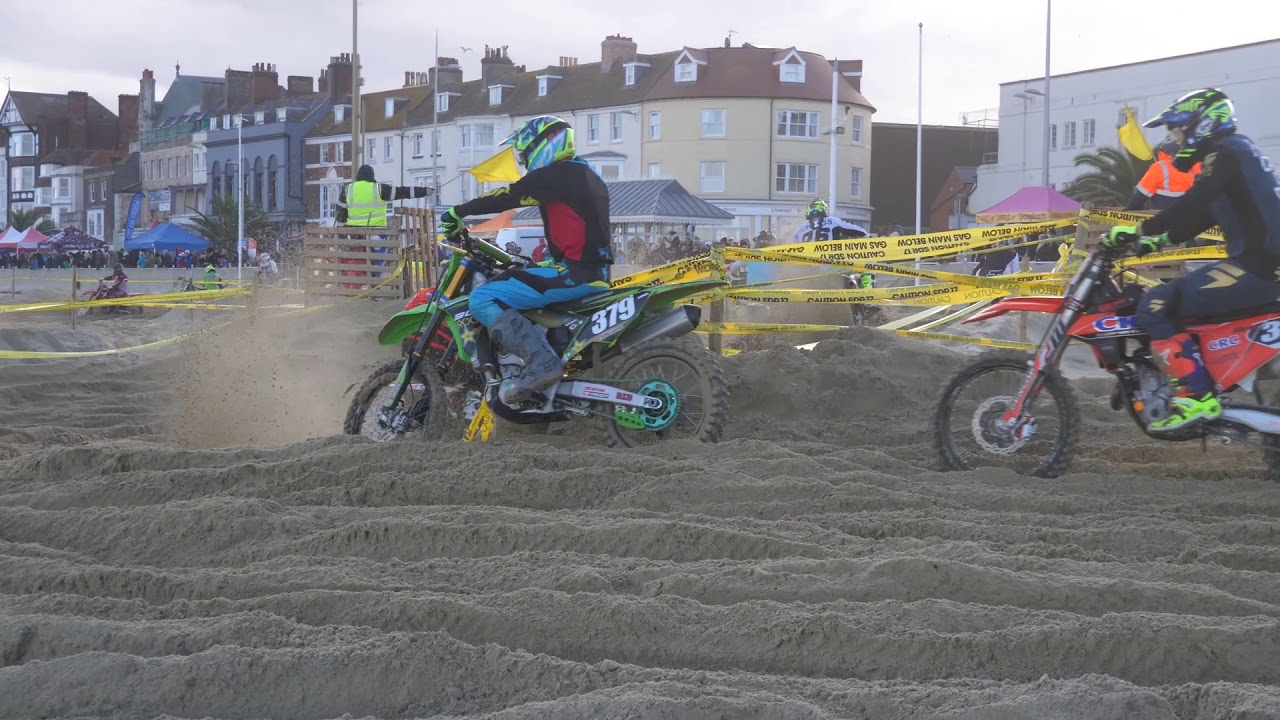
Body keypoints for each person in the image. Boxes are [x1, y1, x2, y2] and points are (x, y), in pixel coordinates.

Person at [1103, 88, 1280, 432]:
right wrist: (1156, 242)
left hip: (1257, 267)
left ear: (1203, 124)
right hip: (1261, 266)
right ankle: (1195, 379)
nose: (1174, 140)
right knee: (1178, 304)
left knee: (1155, 304)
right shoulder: (1235, 156)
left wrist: (1140, 229)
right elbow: (1201, 216)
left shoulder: (1226, 153)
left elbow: (1197, 201)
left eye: (1178, 131)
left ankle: (1197, 397)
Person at [441, 114, 613, 404]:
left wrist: (457, 212)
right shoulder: (584, 174)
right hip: (590, 272)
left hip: (576, 274)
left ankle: (541, 361)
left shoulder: (559, 175)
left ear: (544, 143)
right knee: (521, 276)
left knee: (483, 298)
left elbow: (507, 195)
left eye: (525, 153)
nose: (524, 161)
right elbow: (581, 237)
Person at [1125, 136, 1202, 212]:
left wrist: (1128, 213)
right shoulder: (1194, 166)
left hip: (1163, 218)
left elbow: (1139, 197)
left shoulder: (1160, 168)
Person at [793, 199, 869, 243]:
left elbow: (794, 244)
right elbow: (854, 230)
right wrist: (867, 236)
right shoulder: (833, 221)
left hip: (808, 264)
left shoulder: (800, 228)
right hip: (830, 263)